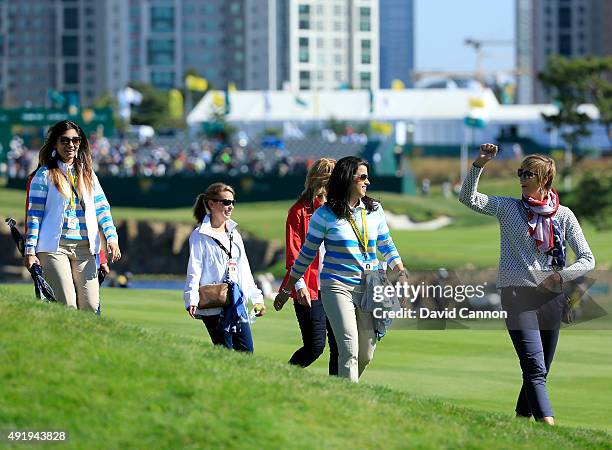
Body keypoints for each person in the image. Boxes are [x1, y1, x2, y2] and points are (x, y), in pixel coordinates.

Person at [459, 144, 595, 425]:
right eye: (521, 172)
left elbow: (587, 259)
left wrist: (560, 276)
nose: (522, 178)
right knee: (534, 366)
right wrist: (478, 165)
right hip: (517, 296)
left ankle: (521, 422)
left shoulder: (564, 216)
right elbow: (468, 198)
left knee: (540, 370)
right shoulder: (508, 208)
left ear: (545, 180)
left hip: (552, 300)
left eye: (529, 174)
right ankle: (548, 425)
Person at [274, 156, 409, 382]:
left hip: (370, 286)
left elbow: (386, 244)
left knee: (365, 353)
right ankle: (349, 403)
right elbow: (304, 255)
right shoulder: (324, 215)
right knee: (348, 349)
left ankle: (339, 391)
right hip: (337, 286)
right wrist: (288, 288)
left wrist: (401, 271)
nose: (368, 182)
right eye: (363, 177)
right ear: (348, 179)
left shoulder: (375, 210)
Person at [24, 120, 121, 312]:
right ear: (55, 143)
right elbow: (34, 215)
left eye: (75, 140)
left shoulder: (88, 174)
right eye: (65, 140)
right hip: (54, 247)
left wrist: (112, 239)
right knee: (67, 304)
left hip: (85, 249)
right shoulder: (44, 175)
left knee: (91, 307)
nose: (71, 145)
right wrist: (30, 252)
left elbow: (102, 208)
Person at [184, 182, 265, 352]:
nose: (230, 207)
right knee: (226, 353)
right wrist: (191, 299)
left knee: (246, 352)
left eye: (233, 202)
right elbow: (194, 269)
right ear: (211, 204)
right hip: (214, 304)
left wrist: (257, 299)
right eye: (226, 202)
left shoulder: (235, 234)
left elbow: (244, 270)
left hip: (237, 302)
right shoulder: (199, 235)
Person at [278, 158, 339, 375]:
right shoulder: (299, 211)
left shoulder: (339, 210)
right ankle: (284, 377)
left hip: (336, 285)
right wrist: (300, 284)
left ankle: (339, 390)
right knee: (315, 346)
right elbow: (294, 252)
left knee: (340, 347)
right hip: (310, 287)